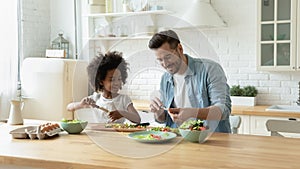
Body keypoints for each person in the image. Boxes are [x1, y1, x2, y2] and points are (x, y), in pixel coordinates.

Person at [148, 30, 231, 133]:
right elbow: (164, 119)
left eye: (168, 57)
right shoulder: (165, 78)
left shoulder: (210, 69)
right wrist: (158, 112)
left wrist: (193, 113)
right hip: (177, 139)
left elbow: (223, 110)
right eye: (160, 60)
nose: (165, 64)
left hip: (211, 140)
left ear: (180, 48)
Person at [67, 51, 141, 124]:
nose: (117, 83)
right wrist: (81, 104)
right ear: (101, 81)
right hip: (100, 134)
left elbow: (137, 119)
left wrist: (122, 113)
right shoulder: (96, 99)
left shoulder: (124, 99)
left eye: (119, 79)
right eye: (112, 79)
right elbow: (69, 107)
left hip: (118, 135)